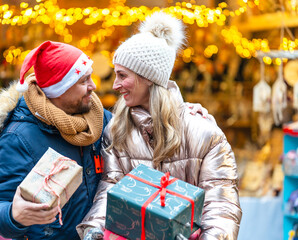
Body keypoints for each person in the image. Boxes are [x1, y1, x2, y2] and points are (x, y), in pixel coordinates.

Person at [78, 12, 242, 240]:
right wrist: (93, 229)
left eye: (122, 75)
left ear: (148, 77)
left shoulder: (205, 134)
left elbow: (221, 207)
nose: (115, 85)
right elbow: (111, 189)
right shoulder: (117, 131)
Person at [0, 41, 113, 240]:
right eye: (83, 81)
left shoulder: (100, 118)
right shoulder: (18, 137)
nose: (93, 86)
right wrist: (14, 215)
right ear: (59, 89)